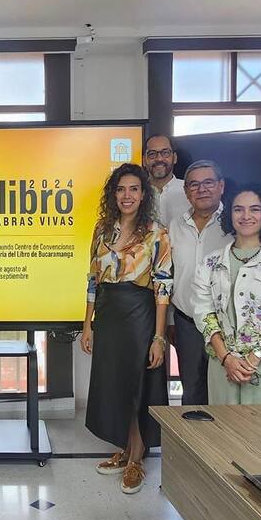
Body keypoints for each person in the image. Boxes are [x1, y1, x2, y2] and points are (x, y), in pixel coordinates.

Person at [80, 163, 171, 495]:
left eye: (133, 189)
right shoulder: (103, 230)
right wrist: (87, 324)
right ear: (113, 194)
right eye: (121, 189)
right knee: (114, 385)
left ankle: (137, 456)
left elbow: (163, 286)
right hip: (108, 313)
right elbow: (92, 280)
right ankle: (127, 449)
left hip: (139, 315)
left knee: (135, 387)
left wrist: (159, 336)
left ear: (143, 194)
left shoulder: (156, 233)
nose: (127, 195)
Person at [195, 185, 261, 404]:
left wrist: (251, 361)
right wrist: (226, 358)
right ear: (229, 214)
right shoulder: (210, 262)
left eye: (254, 209)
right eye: (238, 209)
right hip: (223, 369)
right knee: (223, 435)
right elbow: (203, 312)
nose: (246, 216)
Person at [167, 160, 227, 406]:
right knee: (191, 393)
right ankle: (191, 444)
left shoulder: (235, 223)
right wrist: (170, 320)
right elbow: (168, 275)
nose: (201, 189)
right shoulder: (175, 226)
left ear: (221, 186)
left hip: (226, 325)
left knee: (223, 391)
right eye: (194, 184)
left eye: (208, 182)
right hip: (187, 323)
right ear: (186, 191)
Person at [144, 134, 189, 228]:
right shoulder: (135, 194)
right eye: (152, 154)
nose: (159, 158)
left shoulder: (191, 191)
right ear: (144, 160)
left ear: (175, 158)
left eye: (165, 153)